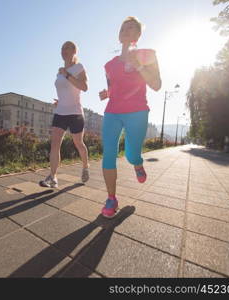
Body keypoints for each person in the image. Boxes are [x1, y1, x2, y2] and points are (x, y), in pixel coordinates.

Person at [98, 17, 162, 217]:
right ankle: (111, 198)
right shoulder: (109, 65)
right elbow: (112, 88)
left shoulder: (148, 54)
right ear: (119, 35)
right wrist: (105, 94)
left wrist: (140, 66)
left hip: (137, 111)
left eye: (131, 27)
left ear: (138, 35)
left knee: (130, 154)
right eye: (123, 28)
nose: (126, 30)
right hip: (112, 111)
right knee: (108, 153)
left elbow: (157, 85)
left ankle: (137, 163)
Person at [40, 41, 89, 188]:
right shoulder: (59, 71)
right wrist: (59, 101)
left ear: (75, 51)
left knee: (78, 143)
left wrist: (67, 75)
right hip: (61, 111)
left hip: (75, 112)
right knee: (55, 144)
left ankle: (85, 166)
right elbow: (64, 91)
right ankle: (53, 177)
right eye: (62, 48)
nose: (64, 50)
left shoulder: (78, 68)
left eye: (67, 47)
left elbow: (84, 87)